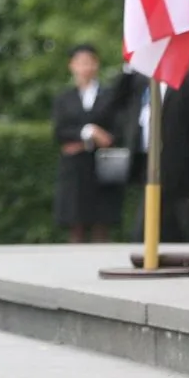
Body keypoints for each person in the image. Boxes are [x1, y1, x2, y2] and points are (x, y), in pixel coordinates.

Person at [127, 60, 189, 244]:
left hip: (179, 167)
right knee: (156, 228)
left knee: (167, 228)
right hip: (148, 162)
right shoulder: (141, 79)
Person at [51, 44, 126, 242]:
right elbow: (59, 131)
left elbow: (118, 129)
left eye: (89, 62)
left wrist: (104, 137)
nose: (86, 67)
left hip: (103, 163)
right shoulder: (64, 98)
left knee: (102, 223)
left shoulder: (109, 95)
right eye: (81, 63)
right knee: (76, 222)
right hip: (75, 167)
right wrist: (89, 132)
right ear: (72, 65)